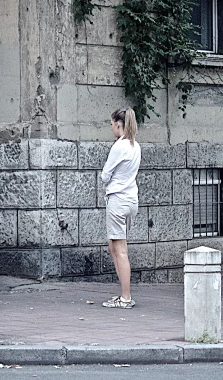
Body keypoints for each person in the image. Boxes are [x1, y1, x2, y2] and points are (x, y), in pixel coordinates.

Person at [100, 107, 141, 309]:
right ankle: (123, 294)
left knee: (120, 249)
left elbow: (105, 175)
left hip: (118, 199)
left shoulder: (119, 146)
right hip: (131, 199)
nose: (111, 128)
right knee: (114, 246)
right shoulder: (136, 146)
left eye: (111, 124)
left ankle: (125, 297)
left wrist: (109, 178)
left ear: (118, 124)